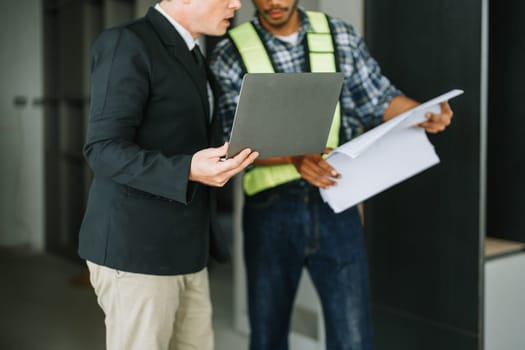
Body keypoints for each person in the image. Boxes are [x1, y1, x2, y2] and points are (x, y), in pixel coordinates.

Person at [209, 1, 454, 350]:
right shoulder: (229, 53)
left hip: (337, 200)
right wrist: (293, 158)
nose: (274, 3)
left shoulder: (338, 34)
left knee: (353, 339)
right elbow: (231, 143)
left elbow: (379, 99)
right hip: (270, 212)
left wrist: (421, 113)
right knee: (267, 336)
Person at [78, 1, 259, 349]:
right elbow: (102, 149)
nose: (237, 4)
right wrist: (189, 169)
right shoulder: (126, 43)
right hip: (137, 250)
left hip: (188, 250)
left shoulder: (192, 52)